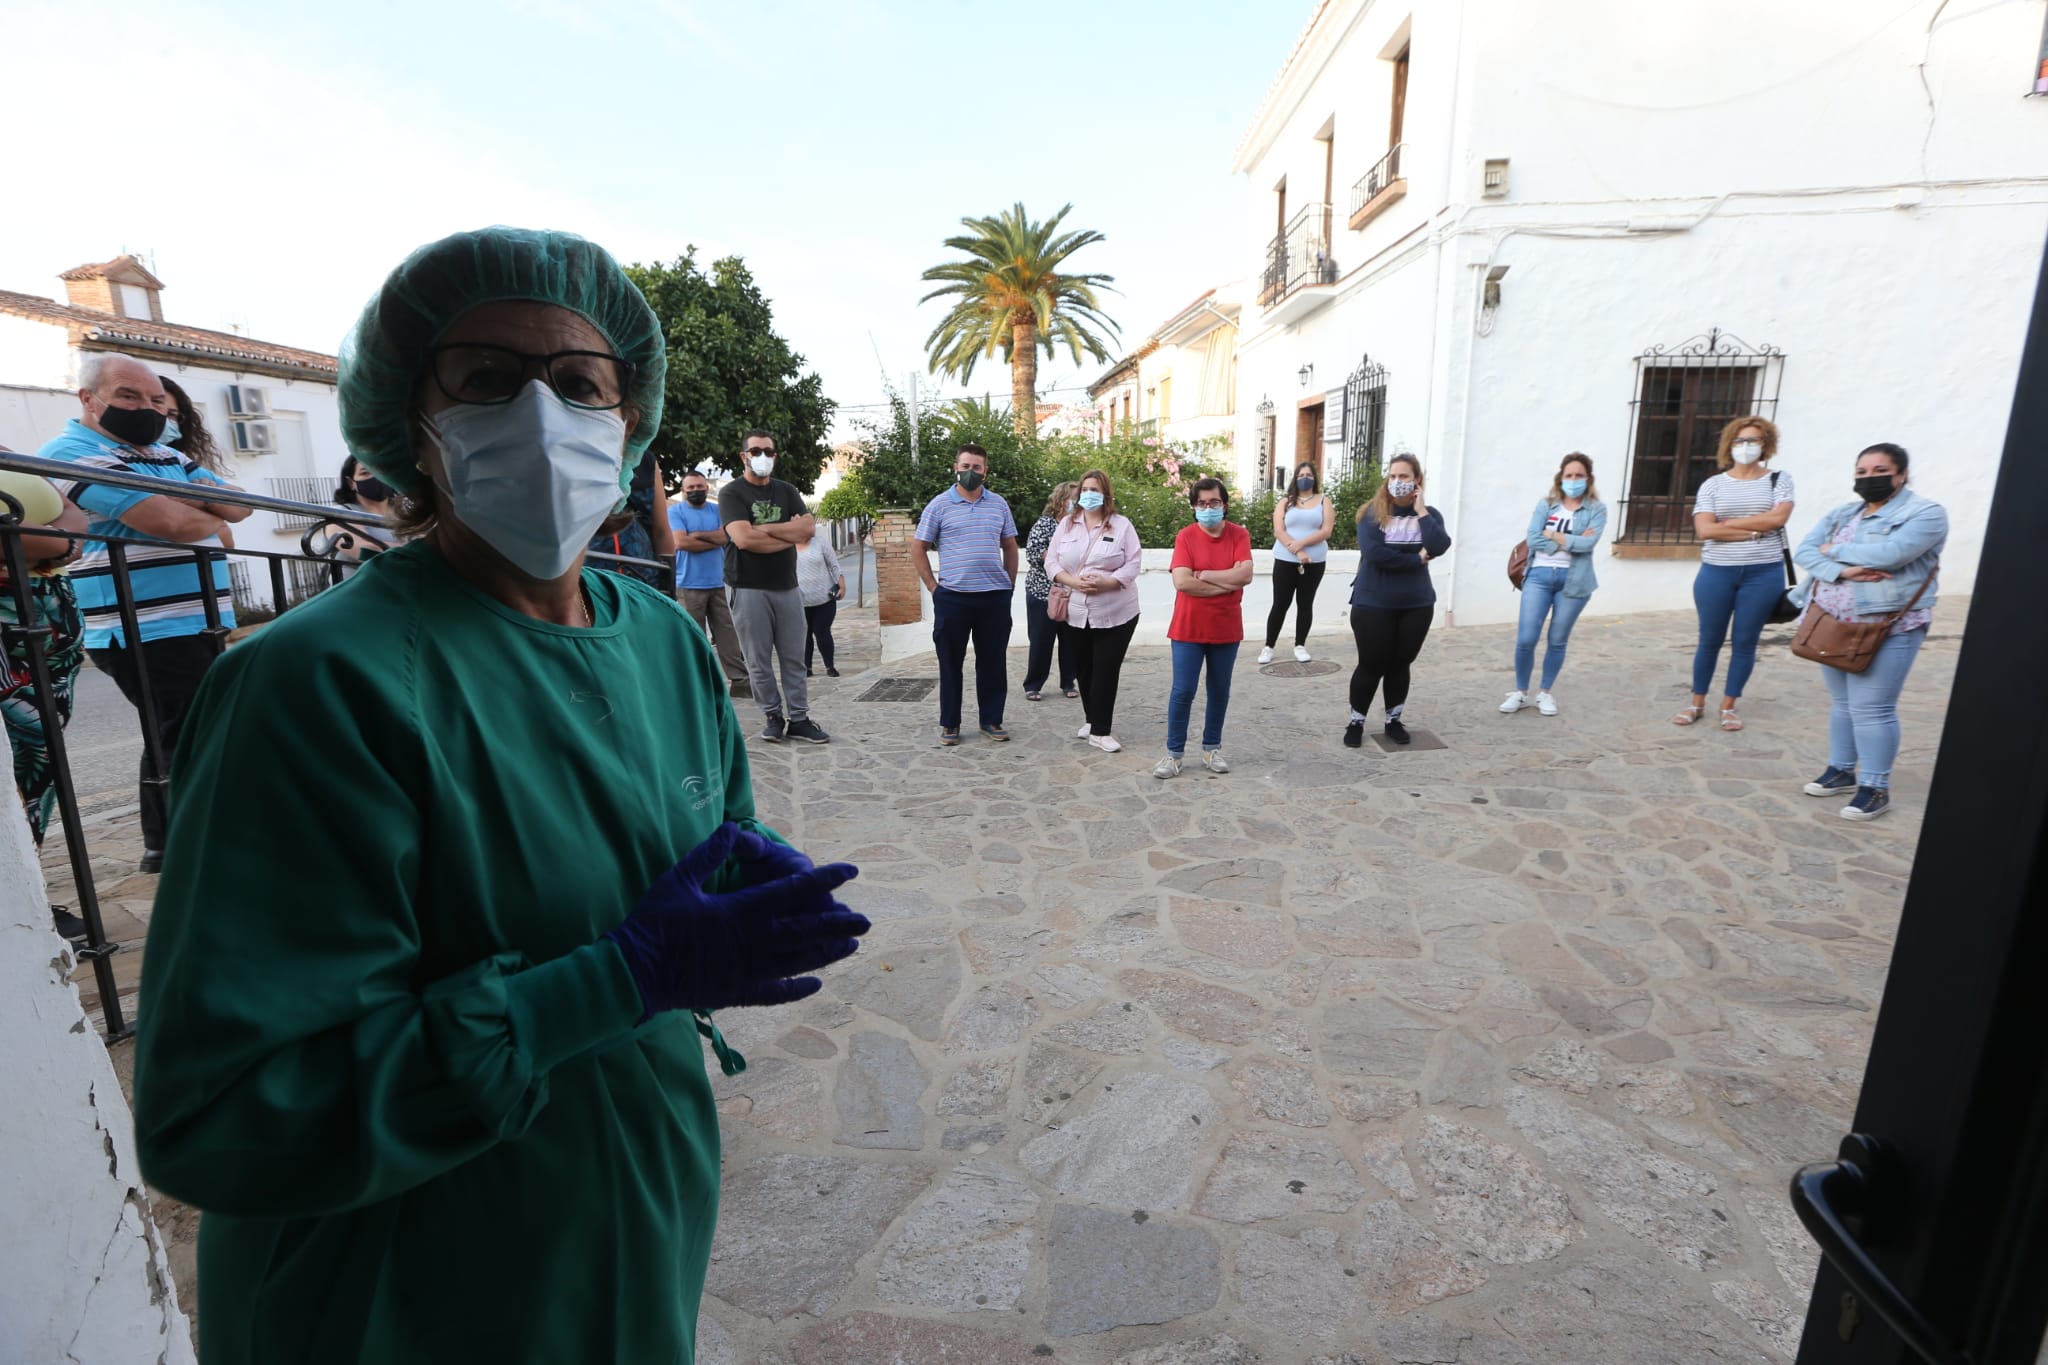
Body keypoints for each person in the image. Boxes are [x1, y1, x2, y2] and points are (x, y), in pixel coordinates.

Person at [130, 226, 870, 1365]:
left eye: (578, 384)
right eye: (487, 380)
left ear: (629, 425)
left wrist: (740, 881)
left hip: (629, 1215)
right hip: (414, 1281)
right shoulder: (316, 684)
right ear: (413, 426)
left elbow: (688, 834)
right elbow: (222, 1116)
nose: (539, 414)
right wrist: (610, 981)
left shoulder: (662, 641)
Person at [36, 352, 252, 873]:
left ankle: (170, 845)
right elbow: (173, 524)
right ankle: (187, 847)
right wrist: (199, 509)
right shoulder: (71, 452)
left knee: (178, 729)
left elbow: (241, 506)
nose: (146, 408)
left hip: (192, 616)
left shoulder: (162, 452)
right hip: (141, 622)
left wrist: (186, 507)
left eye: (156, 399)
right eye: (128, 396)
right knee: (187, 729)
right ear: (89, 399)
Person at [1793, 442, 1947, 822]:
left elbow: (1891, 554)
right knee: (1843, 704)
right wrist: (1842, 569)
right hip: (1831, 621)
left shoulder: (1926, 513)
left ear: (1901, 474)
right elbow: (1805, 550)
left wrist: (1832, 551)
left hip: (1887, 624)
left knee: (1872, 709)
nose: (1869, 478)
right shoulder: (1844, 512)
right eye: (1862, 472)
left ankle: (1875, 788)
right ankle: (1842, 770)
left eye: (1879, 471)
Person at [0, 449, 90, 939]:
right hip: (10, 619)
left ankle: (25, 893)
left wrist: (55, 541)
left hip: (47, 614)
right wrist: (55, 541)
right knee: (21, 758)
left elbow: (72, 514)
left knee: (41, 765)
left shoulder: (8, 451)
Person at [1677, 416, 1794, 732]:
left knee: (1745, 641)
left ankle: (1729, 705)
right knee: (1709, 640)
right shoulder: (1713, 484)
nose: (1746, 446)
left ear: (1765, 444)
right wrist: (1755, 528)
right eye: (1740, 441)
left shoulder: (1778, 480)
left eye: (1753, 440)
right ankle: (1696, 702)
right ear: (1729, 445)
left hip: (1763, 573)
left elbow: (1778, 519)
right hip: (1717, 572)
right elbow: (1704, 529)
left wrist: (1727, 525)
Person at [720, 431, 828, 743]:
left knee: (794, 657)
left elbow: (807, 529)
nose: (762, 456)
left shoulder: (787, 490)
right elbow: (742, 539)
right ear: (744, 456)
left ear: (775, 456)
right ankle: (771, 715)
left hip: (787, 586)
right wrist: (785, 534)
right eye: (755, 450)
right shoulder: (731, 494)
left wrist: (762, 531)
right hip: (748, 586)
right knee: (758, 660)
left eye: (768, 451)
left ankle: (799, 718)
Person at [912, 443, 1019, 746]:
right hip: (954, 597)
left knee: (993, 662)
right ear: (955, 468)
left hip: (993, 598)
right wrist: (934, 587)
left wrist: (1008, 585)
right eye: (965, 466)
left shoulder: (998, 504)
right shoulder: (938, 505)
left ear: (986, 471)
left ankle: (991, 720)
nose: (970, 472)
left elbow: (1009, 546)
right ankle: (950, 724)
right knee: (950, 663)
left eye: (976, 467)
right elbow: (919, 547)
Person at [1346, 453, 1452, 748]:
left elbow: (1440, 544)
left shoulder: (1429, 514)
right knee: (1371, 663)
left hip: (1415, 603)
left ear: (1417, 480)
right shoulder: (1372, 513)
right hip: (1373, 602)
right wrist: (1417, 559)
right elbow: (1376, 555)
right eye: (1393, 476)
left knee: (1400, 663)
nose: (1397, 482)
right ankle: (1356, 721)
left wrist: (1420, 510)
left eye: (1404, 476)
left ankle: (1394, 719)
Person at [1155, 477, 1253, 778]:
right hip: (1188, 627)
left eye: (1214, 502)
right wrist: (1226, 582)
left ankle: (1212, 748)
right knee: (1182, 691)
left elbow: (1246, 575)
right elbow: (1182, 582)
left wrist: (1206, 574)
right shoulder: (1185, 537)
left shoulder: (1239, 535)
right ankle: (1174, 754)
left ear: (1224, 505)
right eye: (1201, 503)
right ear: (1194, 506)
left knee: (1219, 690)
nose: (1208, 508)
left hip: (1225, 627)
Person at [1501, 452, 1608, 717]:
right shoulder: (1546, 505)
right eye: (1569, 475)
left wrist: (1555, 534)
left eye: (1579, 476)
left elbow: (1589, 544)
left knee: (1558, 640)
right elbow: (1534, 538)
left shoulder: (1597, 509)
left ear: (1588, 478)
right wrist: (1569, 539)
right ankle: (1521, 691)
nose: (1573, 480)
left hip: (1574, 581)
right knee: (1526, 637)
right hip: (1538, 576)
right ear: (1560, 478)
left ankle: (1545, 693)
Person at [1045, 469, 1142, 752]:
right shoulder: (1066, 525)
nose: (1089, 494)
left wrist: (1107, 583)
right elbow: (1052, 562)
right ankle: (1091, 718)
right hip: (1073, 610)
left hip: (1116, 611)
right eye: (1085, 489)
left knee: (1105, 669)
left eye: (1095, 490)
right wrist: (1073, 581)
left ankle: (1101, 731)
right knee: (1083, 668)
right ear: (1078, 494)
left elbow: (1133, 563)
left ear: (1106, 495)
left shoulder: (1121, 526)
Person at [669, 469, 748, 695]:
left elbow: (726, 537)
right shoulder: (675, 512)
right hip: (687, 585)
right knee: (694, 637)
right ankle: (699, 684)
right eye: (691, 488)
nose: (695, 491)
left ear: (707, 487)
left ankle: (740, 681)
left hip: (718, 582)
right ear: (683, 491)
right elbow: (681, 543)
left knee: (728, 635)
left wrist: (696, 535)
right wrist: (710, 538)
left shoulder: (718, 510)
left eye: (699, 487)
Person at [1261, 461, 1334, 664]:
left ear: (1314, 478)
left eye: (1308, 475)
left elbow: (1326, 531)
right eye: (1300, 475)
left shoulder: (1324, 501)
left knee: (1305, 603)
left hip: (1314, 561)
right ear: (1295, 478)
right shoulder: (1285, 502)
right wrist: (1298, 550)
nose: (1304, 478)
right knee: (1280, 603)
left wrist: (1302, 544)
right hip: (1285, 559)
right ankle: (1269, 646)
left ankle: (1300, 645)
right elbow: (1279, 530)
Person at [1021, 479, 1080, 701]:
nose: (1077, 502)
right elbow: (1034, 553)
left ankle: (1068, 682)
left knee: (1071, 641)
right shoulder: (1044, 524)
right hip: (1042, 592)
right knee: (1041, 640)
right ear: (1061, 499)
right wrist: (1060, 561)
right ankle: (1033, 684)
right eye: (1073, 497)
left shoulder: (1080, 525)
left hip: (1072, 593)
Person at [590, 450, 673, 591]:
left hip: (641, 579)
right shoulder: (579, 453)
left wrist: (668, 588)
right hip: (589, 576)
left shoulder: (645, 459)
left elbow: (661, 531)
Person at [325, 455, 402, 566]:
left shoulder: (405, 513)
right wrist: (413, 552)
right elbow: (364, 552)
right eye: (365, 473)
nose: (376, 477)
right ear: (351, 483)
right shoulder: (340, 514)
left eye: (381, 471)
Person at [795, 523, 845, 677]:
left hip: (824, 598)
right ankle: (807, 668)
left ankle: (830, 666)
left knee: (822, 632)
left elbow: (834, 565)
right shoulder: (787, 545)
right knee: (804, 634)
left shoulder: (820, 542)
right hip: (798, 600)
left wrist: (841, 585)